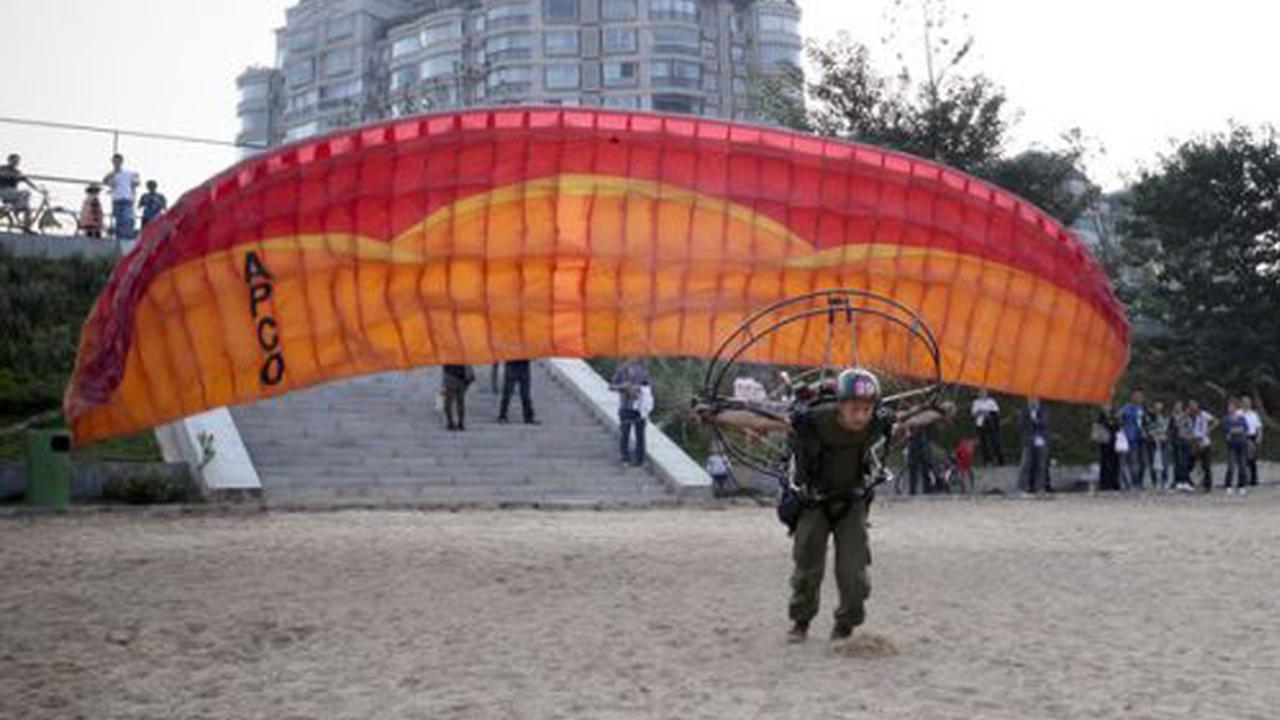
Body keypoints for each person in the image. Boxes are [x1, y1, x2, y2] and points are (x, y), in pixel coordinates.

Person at [698, 367, 954, 642]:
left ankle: (845, 623)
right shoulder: (812, 419)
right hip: (813, 502)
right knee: (807, 567)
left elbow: (907, 420)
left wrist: (941, 411)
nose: (861, 416)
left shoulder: (876, 422)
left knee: (854, 574)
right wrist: (716, 414)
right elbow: (762, 420)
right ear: (840, 405)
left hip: (851, 503)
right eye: (854, 408)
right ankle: (801, 621)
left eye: (867, 409)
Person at [610, 358, 652, 467]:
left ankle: (640, 459)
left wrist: (639, 388)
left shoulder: (643, 370)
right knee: (625, 433)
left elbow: (649, 387)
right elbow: (611, 386)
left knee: (640, 435)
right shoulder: (621, 370)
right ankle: (625, 458)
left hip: (640, 407)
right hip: (626, 406)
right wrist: (623, 387)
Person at [103, 153, 140, 240]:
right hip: (117, 199)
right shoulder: (112, 175)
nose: (116, 163)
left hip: (127, 199)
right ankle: (119, 238)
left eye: (118, 161)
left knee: (126, 219)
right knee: (119, 220)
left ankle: (127, 237)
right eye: (114, 161)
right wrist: (111, 176)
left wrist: (133, 186)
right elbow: (105, 181)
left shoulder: (128, 173)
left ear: (121, 161)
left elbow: (136, 182)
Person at [1019, 397, 1052, 493]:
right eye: (1030, 400)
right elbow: (1021, 426)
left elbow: (1045, 424)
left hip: (1041, 441)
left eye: (1034, 400)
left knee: (1041, 465)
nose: (1032, 402)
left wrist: (1036, 420)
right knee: (1025, 465)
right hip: (1029, 441)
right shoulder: (1024, 411)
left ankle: (1039, 488)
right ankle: (1023, 488)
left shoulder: (1044, 411)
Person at [0, 153, 39, 231]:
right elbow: (3, 174)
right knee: (25, 193)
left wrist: (38, 190)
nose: (15, 163)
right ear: (9, 161)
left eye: (17, 161)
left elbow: (27, 181)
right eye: (13, 161)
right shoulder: (2, 169)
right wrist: (6, 175)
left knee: (27, 208)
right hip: (3, 191)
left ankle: (26, 227)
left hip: (14, 194)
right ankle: (16, 209)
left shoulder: (17, 172)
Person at [1186, 400, 1218, 492]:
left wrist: (1209, 429)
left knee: (1206, 465)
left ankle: (1208, 485)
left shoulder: (1203, 414)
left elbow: (1215, 421)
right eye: (1191, 406)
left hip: (1204, 441)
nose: (1192, 408)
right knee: (1189, 464)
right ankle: (1189, 482)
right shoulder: (1188, 416)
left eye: (1194, 405)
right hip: (1193, 441)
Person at [1118, 391, 1147, 489]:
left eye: (1141, 397)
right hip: (1127, 439)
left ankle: (1136, 482)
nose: (1140, 399)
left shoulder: (1141, 409)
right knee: (1125, 462)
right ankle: (1127, 483)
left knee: (1137, 462)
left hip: (1137, 439)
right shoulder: (1126, 408)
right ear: (1133, 398)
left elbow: (1142, 423)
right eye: (1138, 397)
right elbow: (1119, 417)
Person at [497, 359, 538, 424]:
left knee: (509, 392)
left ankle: (503, 415)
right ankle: (528, 416)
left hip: (513, 364)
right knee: (524, 393)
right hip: (522, 365)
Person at [1222, 400, 1250, 495]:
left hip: (1242, 444)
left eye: (1232, 407)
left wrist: (1234, 430)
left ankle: (1241, 485)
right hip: (1232, 445)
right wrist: (1237, 430)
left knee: (1242, 465)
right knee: (1231, 465)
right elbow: (1227, 430)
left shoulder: (1241, 418)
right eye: (1229, 407)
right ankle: (1228, 485)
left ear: (1235, 408)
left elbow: (1245, 429)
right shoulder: (1226, 419)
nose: (1230, 409)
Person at [970, 389, 1004, 466]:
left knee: (995, 441)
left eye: (984, 392)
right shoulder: (976, 402)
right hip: (981, 424)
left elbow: (997, 412)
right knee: (983, 443)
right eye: (981, 393)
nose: (982, 394)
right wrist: (980, 412)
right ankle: (987, 460)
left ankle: (1000, 459)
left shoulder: (991, 401)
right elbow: (973, 414)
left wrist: (989, 413)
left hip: (991, 424)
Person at [1092, 405, 1121, 491]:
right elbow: (1100, 426)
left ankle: (1114, 482)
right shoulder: (1101, 417)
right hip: (1104, 442)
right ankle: (1105, 483)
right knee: (1105, 462)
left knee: (1115, 463)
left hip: (1114, 442)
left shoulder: (1115, 415)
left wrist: (1116, 419)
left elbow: (1118, 426)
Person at [1145, 400, 1171, 489]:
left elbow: (1169, 427)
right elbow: (1147, 427)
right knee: (1152, 462)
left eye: (1160, 404)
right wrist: (1152, 433)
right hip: (1152, 441)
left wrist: (1165, 434)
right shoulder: (1149, 416)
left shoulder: (1166, 415)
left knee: (1165, 462)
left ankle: (1165, 480)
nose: (1158, 406)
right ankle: (1155, 482)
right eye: (1156, 405)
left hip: (1164, 441)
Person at [441, 364, 474, 431]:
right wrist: (470, 377)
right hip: (460, 378)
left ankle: (450, 422)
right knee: (460, 402)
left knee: (449, 401)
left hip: (450, 377)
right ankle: (460, 423)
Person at [1171, 401, 1194, 491]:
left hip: (1185, 440)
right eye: (1176, 406)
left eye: (1179, 406)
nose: (1178, 408)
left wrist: (1190, 438)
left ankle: (1185, 481)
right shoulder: (1173, 417)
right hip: (1176, 441)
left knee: (1185, 462)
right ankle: (1178, 481)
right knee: (1178, 462)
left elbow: (1190, 428)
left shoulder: (1186, 417)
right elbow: (1172, 429)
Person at [1240, 396, 1263, 487]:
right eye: (1244, 402)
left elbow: (1259, 427)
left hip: (1252, 436)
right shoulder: (1239, 414)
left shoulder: (1254, 414)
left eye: (1248, 402)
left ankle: (1254, 479)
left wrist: (1259, 437)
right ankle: (1243, 479)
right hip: (1242, 437)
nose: (1246, 404)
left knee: (1252, 459)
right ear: (1241, 403)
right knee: (1243, 459)